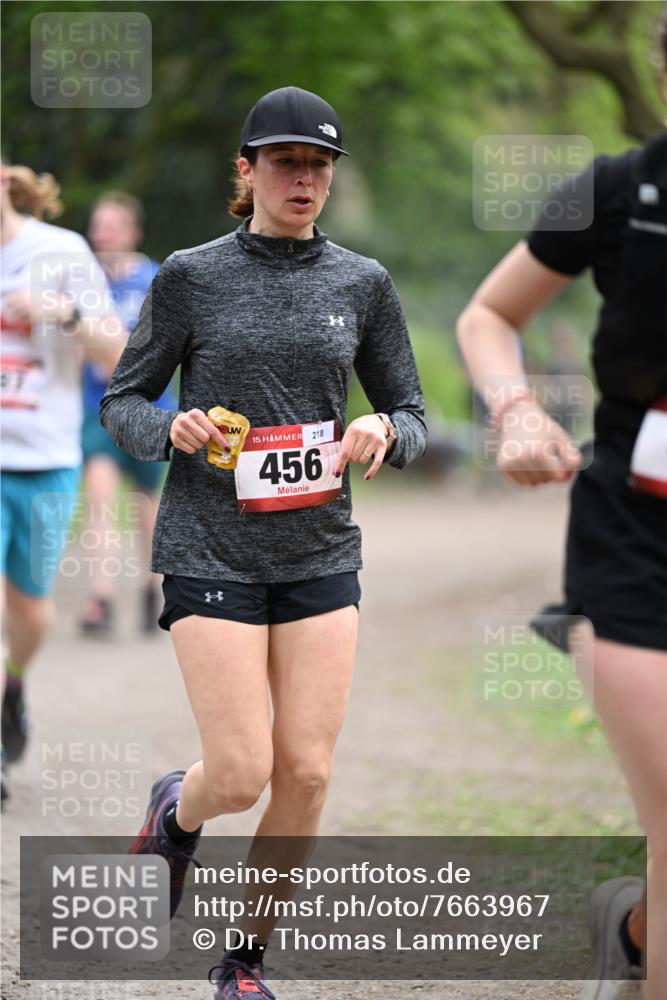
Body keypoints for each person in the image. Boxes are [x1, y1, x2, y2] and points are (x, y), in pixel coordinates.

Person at [100, 86, 427, 998]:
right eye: (286, 162)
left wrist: (386, 434)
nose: (304, 179)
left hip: (321, 550)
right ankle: (178, 807)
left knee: (308, 773)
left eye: (320, 165)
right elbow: (123, 398)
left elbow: (410, 408)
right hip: (210, 546)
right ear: (247, 172)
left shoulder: (361, 283)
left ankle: (241, 961)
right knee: (241, 771)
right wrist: (171, 429)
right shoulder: (192, 276)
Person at [456, 22, 666, 1000]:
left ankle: (628, 928)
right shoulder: (615, 191)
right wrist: (516, 409)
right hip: (637, 537)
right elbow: (488, 314)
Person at [1, 163, 123, 782]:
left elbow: (118, 350)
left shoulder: (60, 252)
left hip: (45, 458)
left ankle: (12, 685)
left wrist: (61, 312)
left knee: (31, 612)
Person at [80, 191, 175, 635]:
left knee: (144, 508)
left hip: (149, 410)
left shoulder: (156, 280)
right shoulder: (84, 282)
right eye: (98, 226)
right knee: (98, 500)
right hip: (98, 410)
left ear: (133, 232)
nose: (103, 234)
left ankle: (150, 589)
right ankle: (101, 598)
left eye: (112, 226)